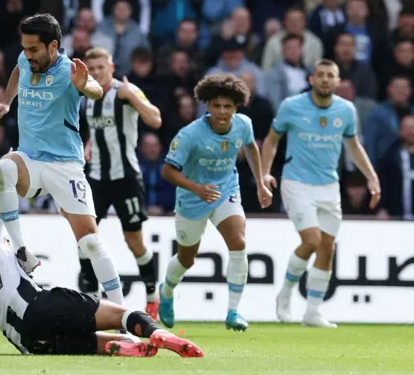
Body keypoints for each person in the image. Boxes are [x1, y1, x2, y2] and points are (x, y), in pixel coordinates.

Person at [0, 14, 125, 307]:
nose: (28, 55)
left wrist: (84, 85)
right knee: (4, 167)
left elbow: (97, 91)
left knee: (90, 242)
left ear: (53, 46)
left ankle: (123, 314)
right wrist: (6, 101)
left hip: (65, 166)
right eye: (24, 48)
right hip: (31, 162)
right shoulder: (26, 61)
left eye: (34, 49)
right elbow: (17, 69)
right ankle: (22, 251)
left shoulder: (69, 70)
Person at [0, 214, 204, 358]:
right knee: (121, 315)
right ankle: (159, 333)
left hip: (30, 344)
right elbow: (0, 198)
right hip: (41, 306)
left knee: (97, 344)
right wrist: (13, 162)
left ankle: (125, 345)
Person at [260, 59, 380, 328]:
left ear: (338, 82)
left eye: (331, 76)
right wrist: (265, 173)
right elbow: (271, 140)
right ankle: (286, 294)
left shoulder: (346, 110)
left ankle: (312, 313)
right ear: (311, 79)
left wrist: (371, 176)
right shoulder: (292, 106)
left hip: (329, 186)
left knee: (328, 247)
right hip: (296, 182)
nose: (325, 80)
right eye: (321, 75)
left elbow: (353, 146)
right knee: (313, 240)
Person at [158, 74, 273, 331]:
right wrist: (196, 188)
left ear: (236, 107)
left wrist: (261, 182)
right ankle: (165, 291)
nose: (222, 112)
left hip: (226, 190)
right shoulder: (189, 135)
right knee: (187, 259)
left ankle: (233, 312)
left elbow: (252, 147)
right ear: (207, 106)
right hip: (192, 198)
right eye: (216, 106)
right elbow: (167, 171)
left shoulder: (243, 125)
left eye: (228, 106)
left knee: (239, 242)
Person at [78, 47, 162, 319]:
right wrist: (90, 144)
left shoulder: (126, 92)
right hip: (97, 178)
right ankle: (90, 302)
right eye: (92, 69)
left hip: (126, 177)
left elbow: (155, 119)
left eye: (102, 67)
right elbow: (97, 127)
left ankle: (152, 296)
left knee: (134, 240)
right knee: (86, 239)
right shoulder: (87, 97)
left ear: (111, 67)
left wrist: (132, 97)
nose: (98, 72)